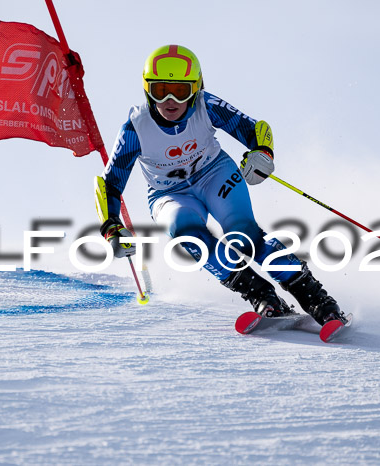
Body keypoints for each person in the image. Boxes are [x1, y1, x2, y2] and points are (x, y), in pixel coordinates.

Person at [94, 44, 345, 326]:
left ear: (196, 88)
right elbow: (111, 183)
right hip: (168, 193)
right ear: (146, 89)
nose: (169, 100)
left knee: (244, 235)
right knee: (187, 232)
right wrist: (111, 226)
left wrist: (262, 154)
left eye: (180, 91)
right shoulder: (135, 126)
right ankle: (262, 296)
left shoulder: (206, 105)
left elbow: (253, 129)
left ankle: (318, 300)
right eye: (160, 89)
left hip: (214, 173)